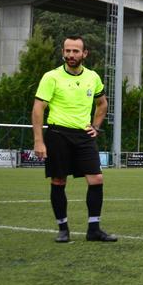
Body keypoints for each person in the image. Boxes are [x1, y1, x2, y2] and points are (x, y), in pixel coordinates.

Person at [31, 35, 116, 243]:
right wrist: (38, 140)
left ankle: (94, 229)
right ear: (63, 52)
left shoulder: (93, 77)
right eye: (67, 51)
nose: (70, 55)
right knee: (59, 180)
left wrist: (96, 126)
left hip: (84, 136)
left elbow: (102, 104)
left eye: (75, 51)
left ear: (84, 54)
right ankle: (63, 229)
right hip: (58, 134)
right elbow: (38, 108)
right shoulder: (52, 77)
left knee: (96, 179)